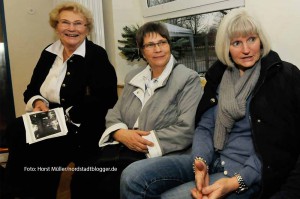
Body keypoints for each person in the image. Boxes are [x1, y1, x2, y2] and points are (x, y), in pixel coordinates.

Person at [120, 7, 300, 199]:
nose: (246, 49)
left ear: (261, 40)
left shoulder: (281, 77)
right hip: (212, 157)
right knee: (132, 176)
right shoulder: (220, 74)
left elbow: (278, 146)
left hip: (247, 171)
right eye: (237, 42)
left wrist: (235, 182)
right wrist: (200, 161)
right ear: (226, 47)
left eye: (251, 40)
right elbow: (205, 127)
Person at [70, 21, 203, 199]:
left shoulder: (188, 78)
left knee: (110, 184)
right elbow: (115, 114)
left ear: (169, 45)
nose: (158, 49)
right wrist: (120, 133)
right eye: (150, 45)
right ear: (142, 51)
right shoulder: (134, 77)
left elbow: (187, 128)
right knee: (81, 175)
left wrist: (139, 140)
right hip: (125, 146)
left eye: (162, 42)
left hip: (163, 152)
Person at [2, 2, 118, 199]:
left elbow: (106, 99)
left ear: (87, 28)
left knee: (40, 150)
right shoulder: (49, 52)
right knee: (17, 129)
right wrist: (39, 103)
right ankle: (16, 191)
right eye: (65, 22)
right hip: (48, 119)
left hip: (82, 126)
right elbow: (31, 89)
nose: (71, 29)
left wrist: (64, 115)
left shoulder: (96, 55)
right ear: (56, 27)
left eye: (78, 23)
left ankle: (26, 191)